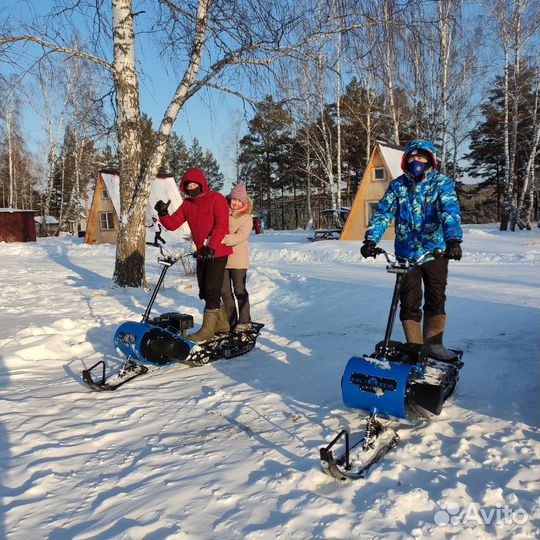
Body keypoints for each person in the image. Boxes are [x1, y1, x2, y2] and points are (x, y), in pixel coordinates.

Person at [360, 139, 463, 361]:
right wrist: (370, 240)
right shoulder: (398, 186)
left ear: (431, 160)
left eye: (422, 157)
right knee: (409, 301)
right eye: (413, 157)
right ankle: (416, 348)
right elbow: (383, 213)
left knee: (436, 298)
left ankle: (434, 346)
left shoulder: (442, 184)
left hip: (435, 251)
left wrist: (453, 240)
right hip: (405, 253)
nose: (417, 161)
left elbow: (449, 211)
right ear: (406, 160)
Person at [154, 168, 232, 343]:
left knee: (212, 289)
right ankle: (222, 324)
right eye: (188, 185)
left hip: (217, 252)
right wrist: (163, 213)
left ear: (202, 183)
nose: (191, 187)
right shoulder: (188, 204)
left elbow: (221, 224)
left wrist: (212, 246)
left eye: (194, 184)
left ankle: (208, 330)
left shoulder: (216, 199)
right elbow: (173, 225)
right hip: (202, 253)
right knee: (204, 291)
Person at [221, 183, 253, 332]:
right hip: (222, 258)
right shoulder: (221, 212)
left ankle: (245, 321)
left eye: (240, 201)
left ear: (244, 202)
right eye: (234, 199)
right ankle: (231, 321)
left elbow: (241, 235)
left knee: (239, 290)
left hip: (238, 260)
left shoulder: (247, 218)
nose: (236, 203)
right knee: (225, 292)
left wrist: (221, 239)